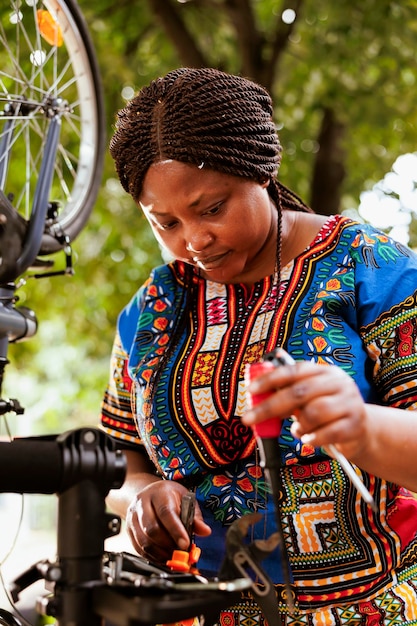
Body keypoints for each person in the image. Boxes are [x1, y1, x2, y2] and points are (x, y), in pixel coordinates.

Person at [101, 67, 417, 625]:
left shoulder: (372, 270)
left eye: (213, 208)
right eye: (165, 222)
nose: (194, 240)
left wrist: (361, 428)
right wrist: (145, 497)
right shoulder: (152, 311)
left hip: (377, 608)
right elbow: (119, 469)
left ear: (261, 172)